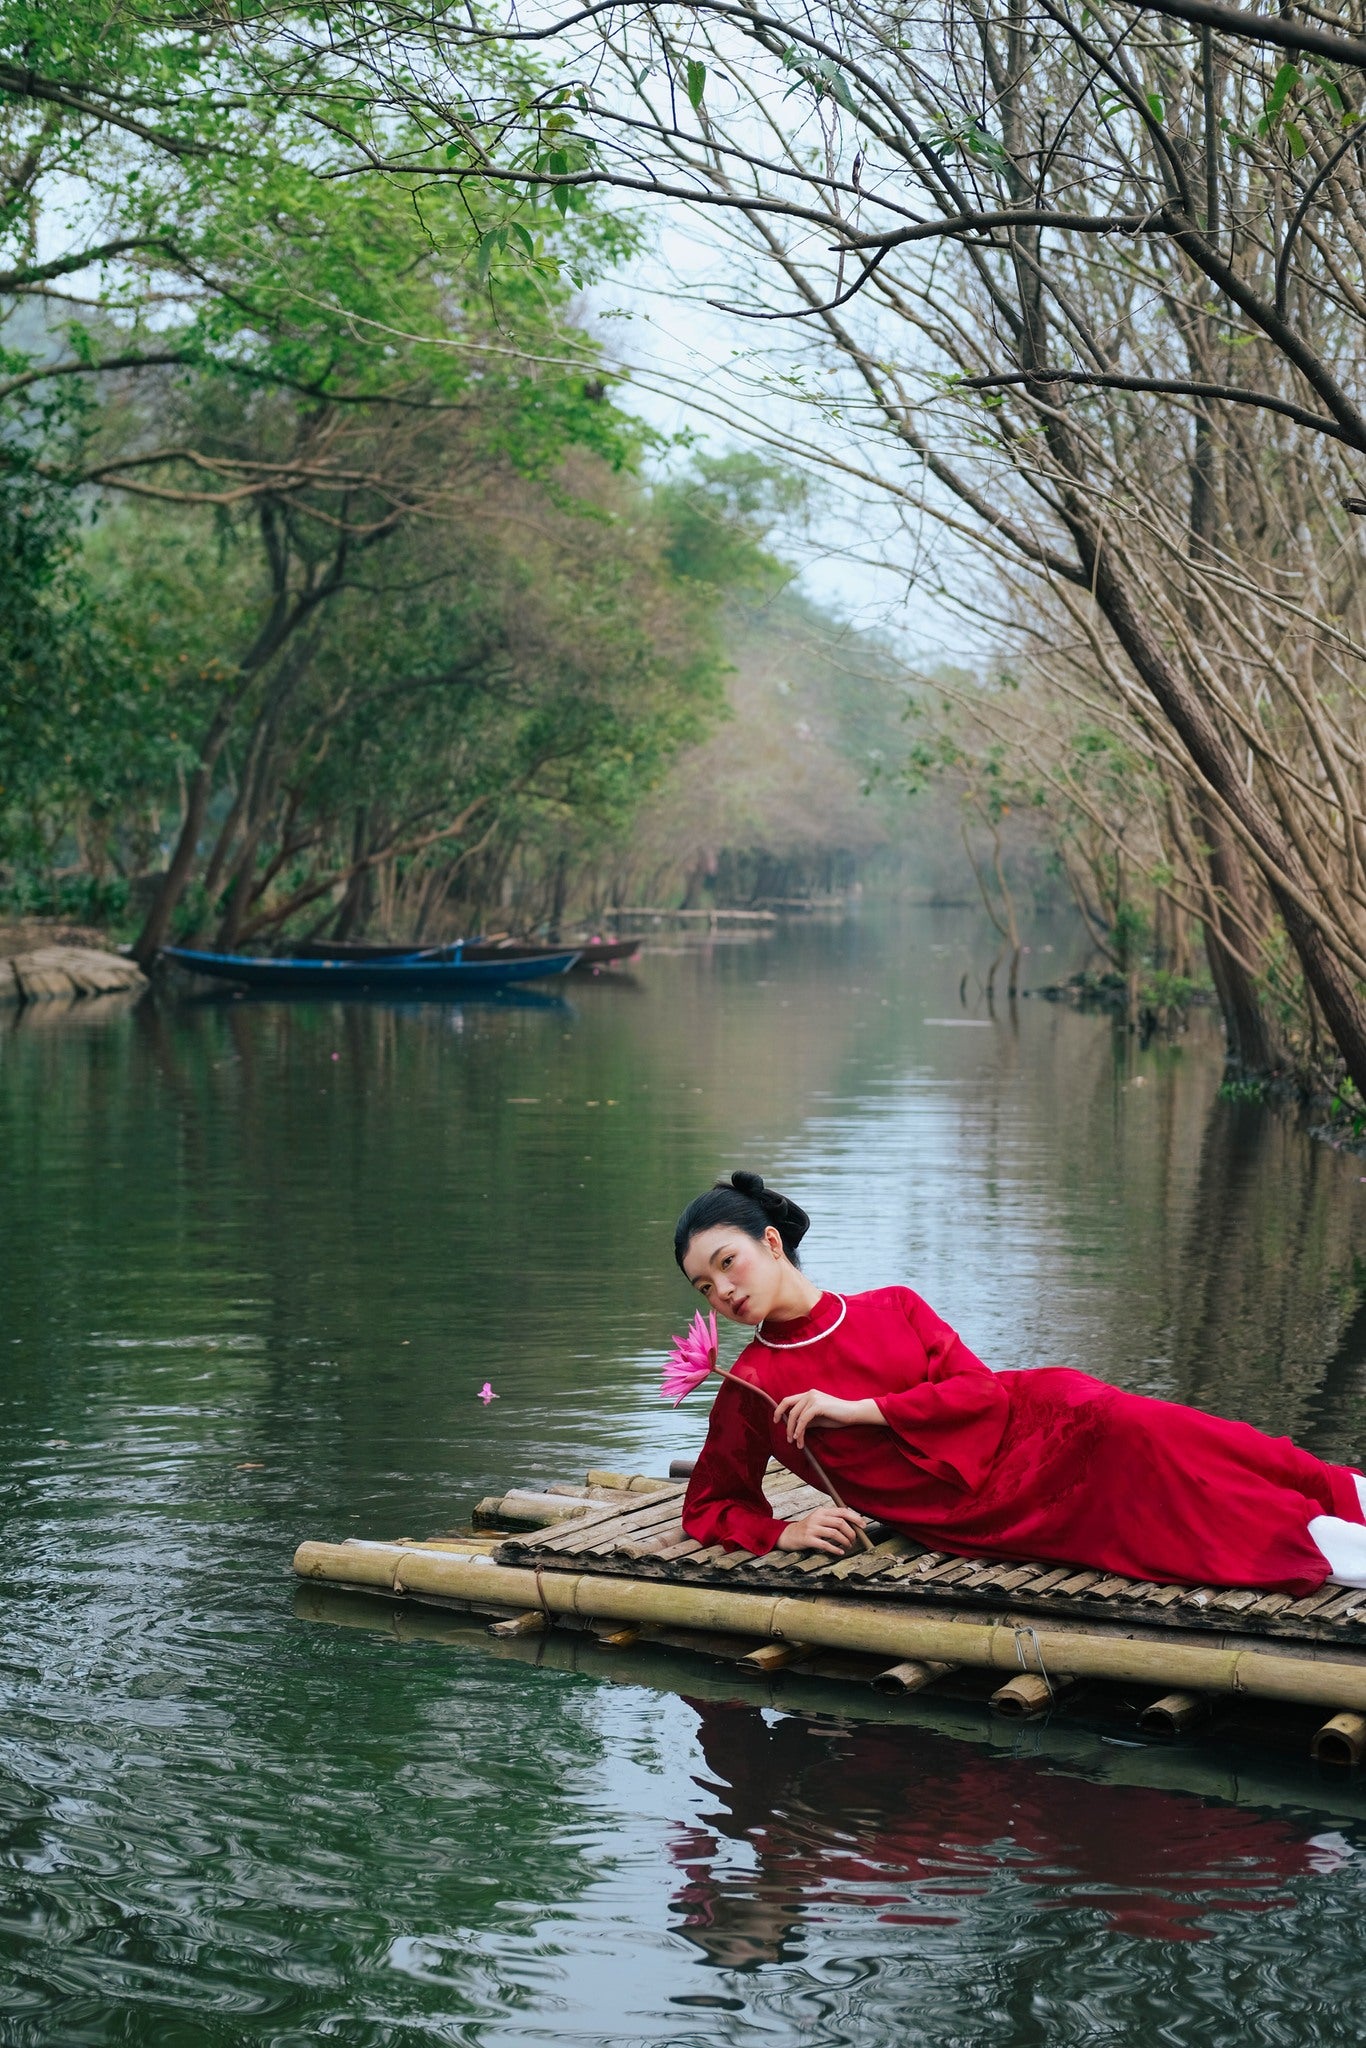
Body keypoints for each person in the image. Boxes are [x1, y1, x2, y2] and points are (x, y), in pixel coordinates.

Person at [675, 1170, 1366, 1595]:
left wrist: (861, 1411)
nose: (723, 1291)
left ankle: (1342, 1492)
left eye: (728, 1262)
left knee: (1168, 1434)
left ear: (769, 1243)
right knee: (1157, 1503)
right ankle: (1324, 1544)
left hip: (1040, 1419)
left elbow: (979, 1394)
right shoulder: (750, 1389)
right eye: (705, 1285)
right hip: (988, 1510)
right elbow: (708, 1507)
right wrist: (786, 1533)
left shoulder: (893, 1305)